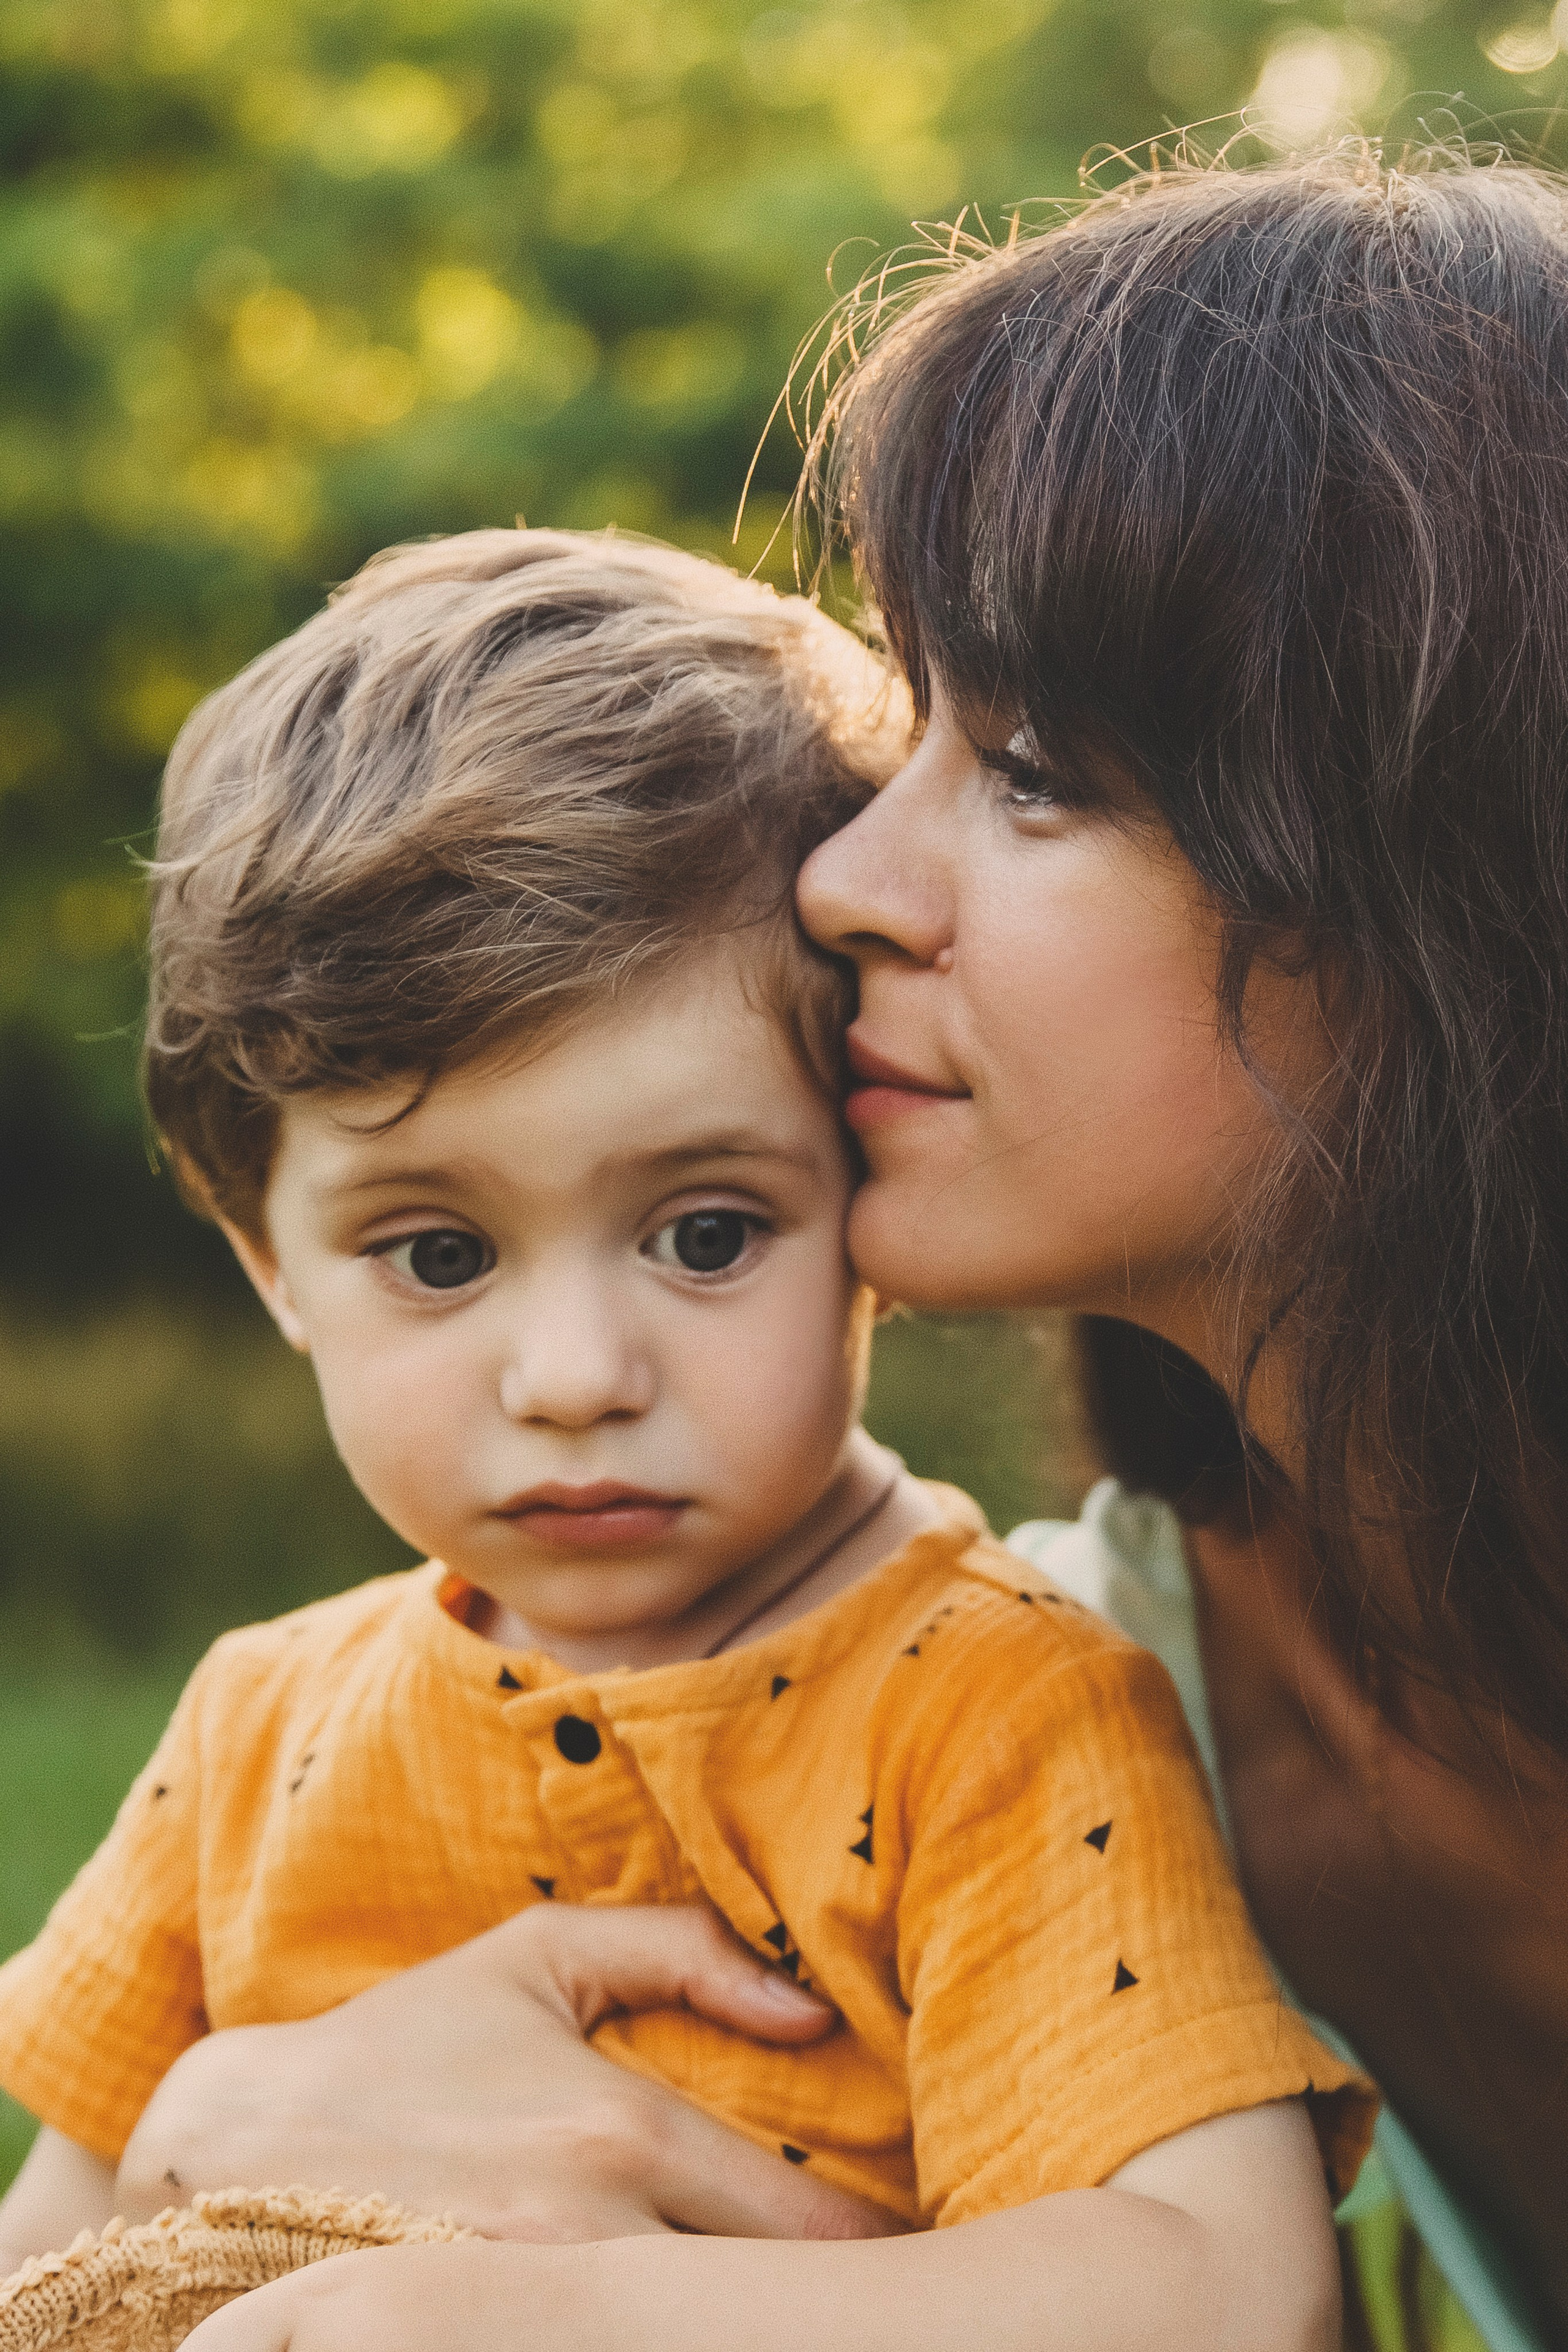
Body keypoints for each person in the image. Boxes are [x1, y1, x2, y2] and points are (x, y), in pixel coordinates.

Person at [91, 146, 1568, 2352]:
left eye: (1038, 768)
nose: (854, 873)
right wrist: (220, 2131)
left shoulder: (1010, 1714)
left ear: (1436, 871)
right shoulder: (1162, 1631)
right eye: (922, 720)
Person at [0, 528, 1369, 2349]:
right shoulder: (258, 1729)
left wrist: (531, 2319)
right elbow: (53, 2264)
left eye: (707, 1232)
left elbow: (1219, 2291)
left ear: (865, 1186)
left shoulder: (991, 1713)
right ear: (268, 1255)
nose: (573, 1374)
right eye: (437, 1252)